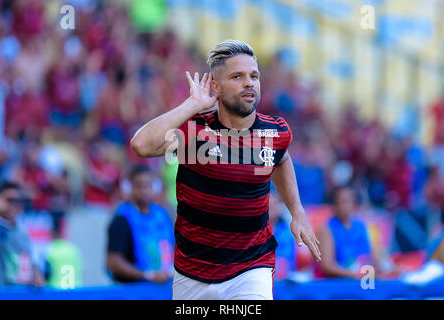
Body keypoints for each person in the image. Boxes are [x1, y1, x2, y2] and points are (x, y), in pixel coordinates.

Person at [130, 39, 320, 300]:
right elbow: (141, 145)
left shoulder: (275, 132)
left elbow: (281, 159)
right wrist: (192, 104)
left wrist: (297, 211)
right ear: (215, 87)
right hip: (192, 272)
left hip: (251, 269)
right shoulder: (194, 131)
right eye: (237, 76)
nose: (249, 83)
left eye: (254, 76)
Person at [107, 164, 174, 283]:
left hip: (165, 287)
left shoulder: (163, 215)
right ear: (128, 188)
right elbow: (114, 263)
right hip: (134, 291)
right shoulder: (122, 219)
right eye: (139, 186)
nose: (144, 191)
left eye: (148, 185)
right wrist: (147, 275)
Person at [316, 186, 378, 278]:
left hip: (363, 280)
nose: (343, 206)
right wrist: (356, 275)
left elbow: (375, 259)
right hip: (338, 283)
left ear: (354, 204)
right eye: (339, 202)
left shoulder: (362, 226)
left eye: (347, 201)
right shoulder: (326, 229)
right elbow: (327, 266)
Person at [0, 181, 45, 286]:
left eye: (18, 201)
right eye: (9, 200)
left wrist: (35, 273)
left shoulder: (22, 232)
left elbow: (26, 265)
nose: (14, 205)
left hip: (17, 294)